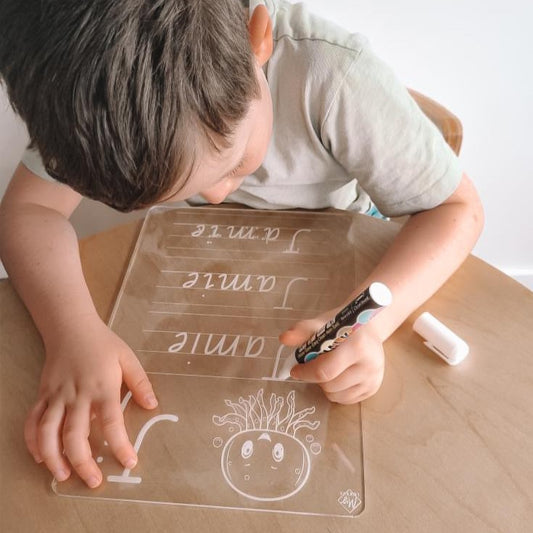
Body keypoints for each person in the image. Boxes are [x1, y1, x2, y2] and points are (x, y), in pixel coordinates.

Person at [0, 0, 484, 490]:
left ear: (260, 40)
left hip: (346, 273)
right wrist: (72, 332)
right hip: (211, 282)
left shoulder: (334, 78)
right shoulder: (88, 98)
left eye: (232, 164)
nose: (214, 195)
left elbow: (456, 210)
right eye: (184, 189)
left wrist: (373, 325)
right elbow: (29, 211)